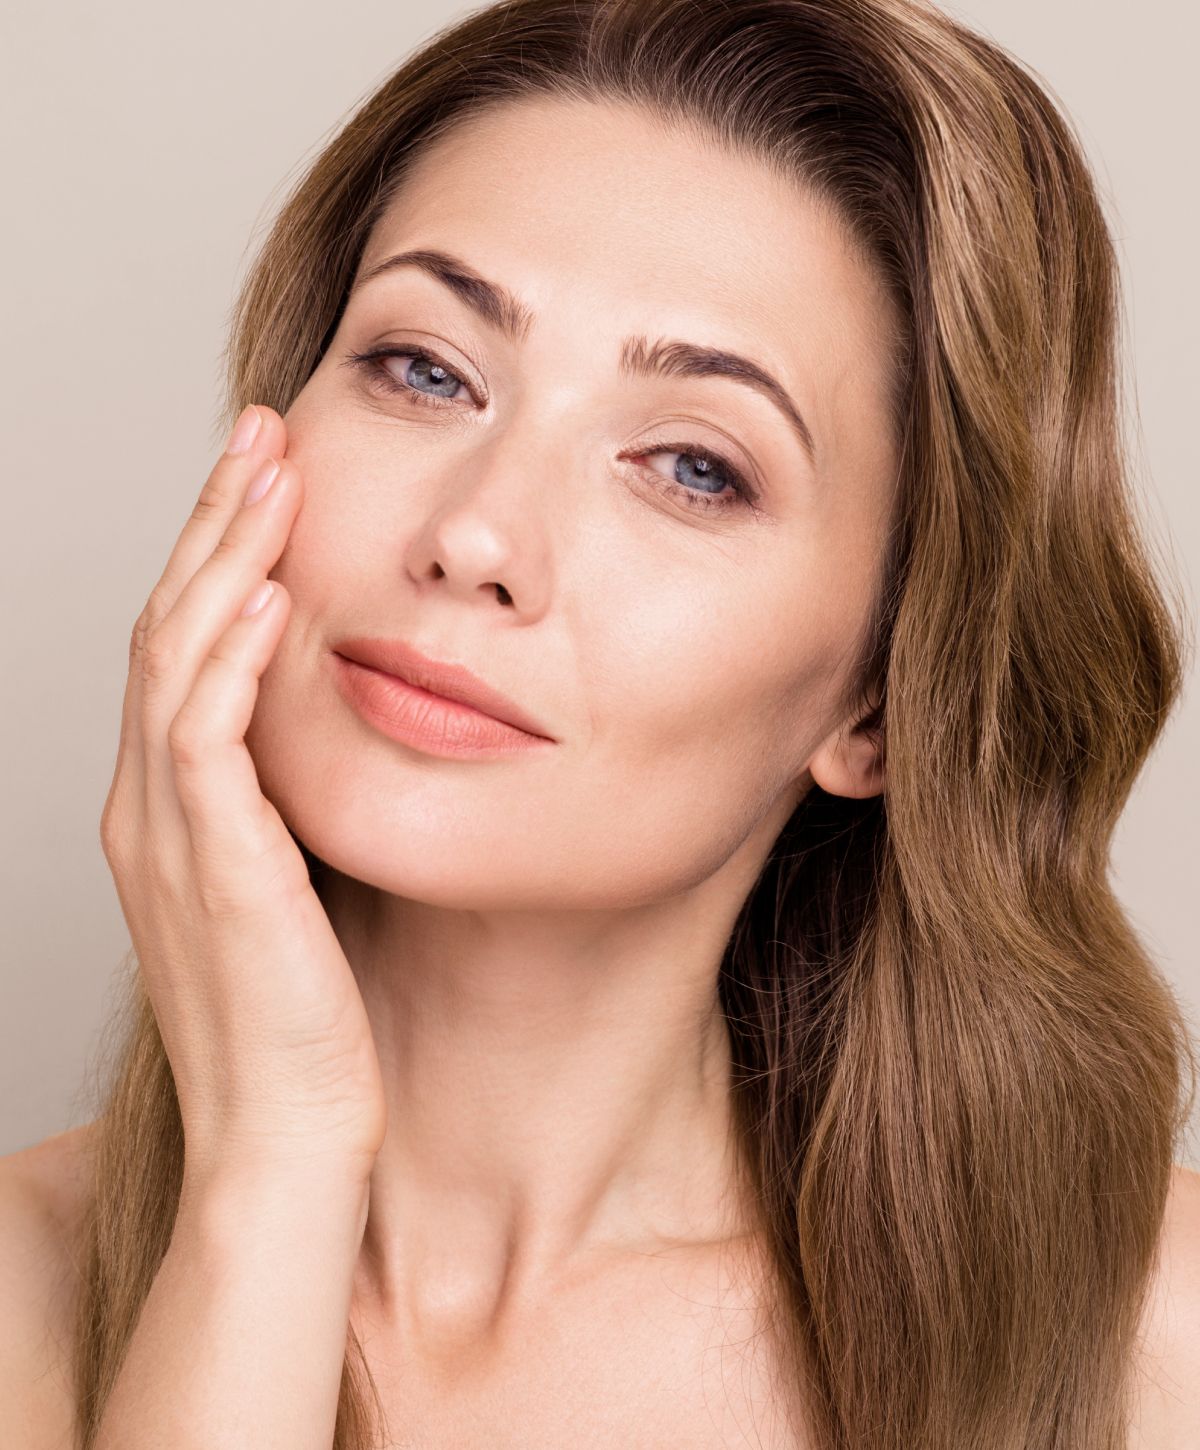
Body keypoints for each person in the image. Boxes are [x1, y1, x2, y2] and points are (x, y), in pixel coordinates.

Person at [3, 1, 1197, 1446]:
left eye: (694, 466)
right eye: (424, 368)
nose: (477, 533)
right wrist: (270, 1168)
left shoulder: (1152, 1334)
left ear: (880, 700)